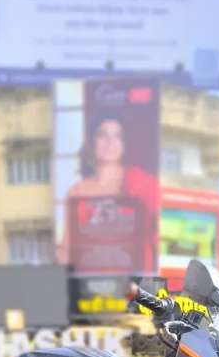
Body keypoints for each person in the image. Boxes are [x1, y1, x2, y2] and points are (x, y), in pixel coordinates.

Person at [57, 114, 159, 271]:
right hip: (90, 278)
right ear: (92, 141)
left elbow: (157, 237)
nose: (110, 142)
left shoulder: (143, 184)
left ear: (124, 144)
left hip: (131, 278)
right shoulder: (76, 192)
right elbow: (67, 249)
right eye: (102, 135)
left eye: (117, 136)